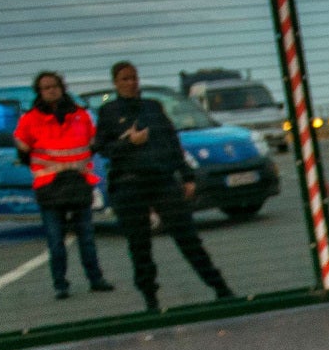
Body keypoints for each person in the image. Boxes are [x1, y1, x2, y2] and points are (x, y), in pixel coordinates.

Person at [90, 61, 233, 313]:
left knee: (187, 237)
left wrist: (187, 176)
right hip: (129, 184)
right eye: (125, 79)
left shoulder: (153, 108)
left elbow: (171, 142)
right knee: (140, 245)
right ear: (115, 83)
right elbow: (102, 148)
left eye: (134, 78)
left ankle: (221, 288)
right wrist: (129, 143)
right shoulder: (109, 112)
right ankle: (151, 300)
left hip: (162, 180)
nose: (131, 83)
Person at [13, 72, 111, 301]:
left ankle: (95, 279)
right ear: (39, 91)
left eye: (54, 86)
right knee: (55, 241)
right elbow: (23, 149)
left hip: (78, 184)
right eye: (46, 87)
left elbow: (92, 143)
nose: (51, 90)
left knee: (86, 237)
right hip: (49, 188)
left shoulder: (79, 115)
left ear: (62, 87)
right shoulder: (30, 119)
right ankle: (61, 284)